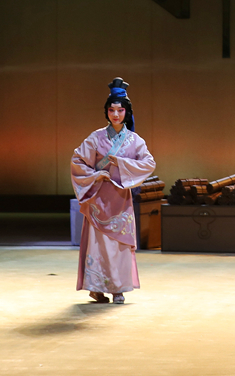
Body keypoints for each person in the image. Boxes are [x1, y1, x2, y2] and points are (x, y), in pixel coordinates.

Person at [71, 78, 156, 304]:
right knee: (98, 245)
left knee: (118, 245)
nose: (116, 114)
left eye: (120, 110)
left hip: (120, 200)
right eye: (111, 110)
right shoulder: (96, 137)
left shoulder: (135, 140)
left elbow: (149, 163)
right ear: (106, 112)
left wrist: (122, 164)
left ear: (127, 112)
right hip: (98, 199)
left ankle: (118, 288)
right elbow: (77, 161)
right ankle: (95, 288)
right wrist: (96, 175)